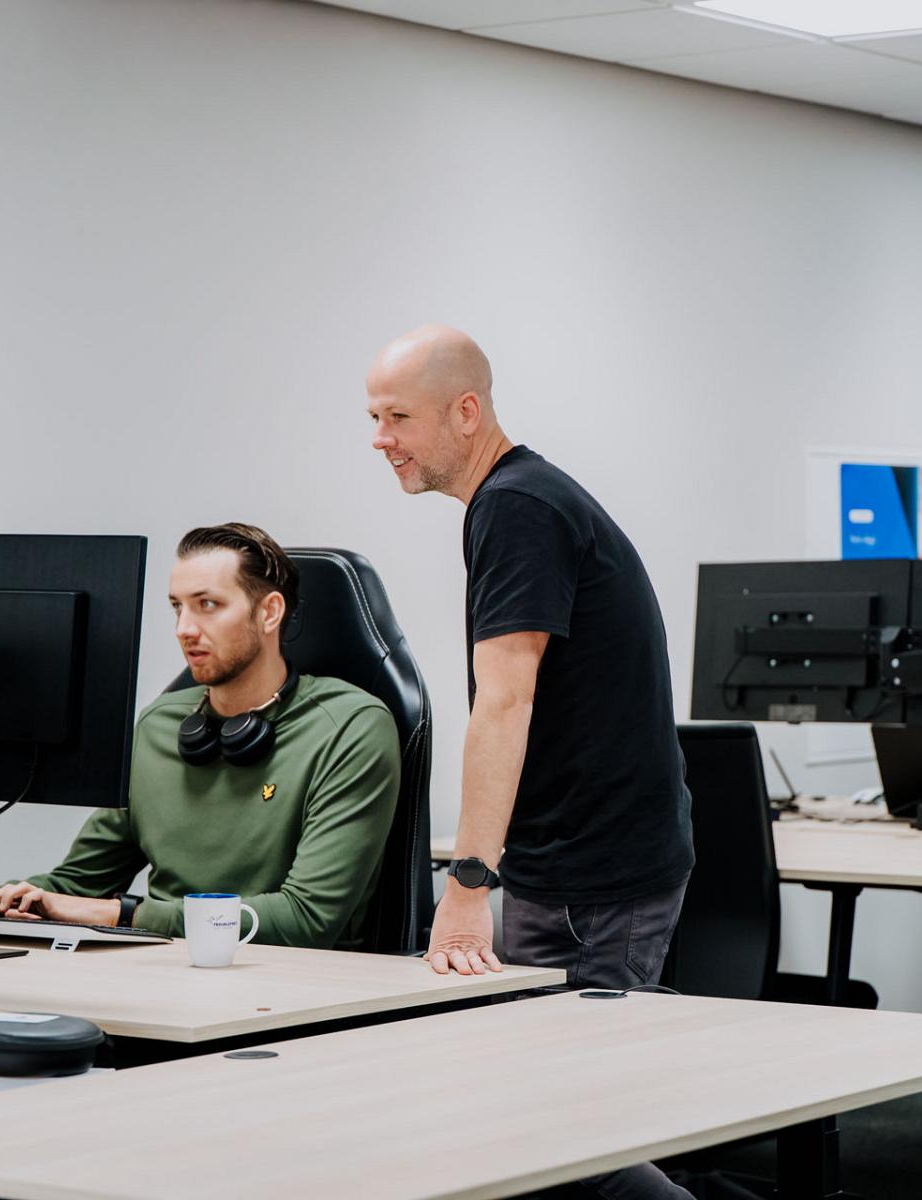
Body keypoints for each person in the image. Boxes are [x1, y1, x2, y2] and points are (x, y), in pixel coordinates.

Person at [368, 326, 695, 1199]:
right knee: (536, 1120)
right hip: (561, 862)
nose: (380, 437)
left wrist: (466, 888)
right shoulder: (510, 501)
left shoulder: (518, 505)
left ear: (466, 412)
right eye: (374, 416)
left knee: (585, 1132)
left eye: (399, 415)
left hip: (604, 872)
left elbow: (503, 700)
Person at [0, 523, 400, 950]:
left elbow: (306, 919)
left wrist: (126, 915)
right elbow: (75, 885)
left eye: (207, 604)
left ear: (269, 612)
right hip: (166, 970)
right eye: (177, 607)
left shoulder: (349, 727)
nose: (184, 629)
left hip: (294, 986)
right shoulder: (160, 725)